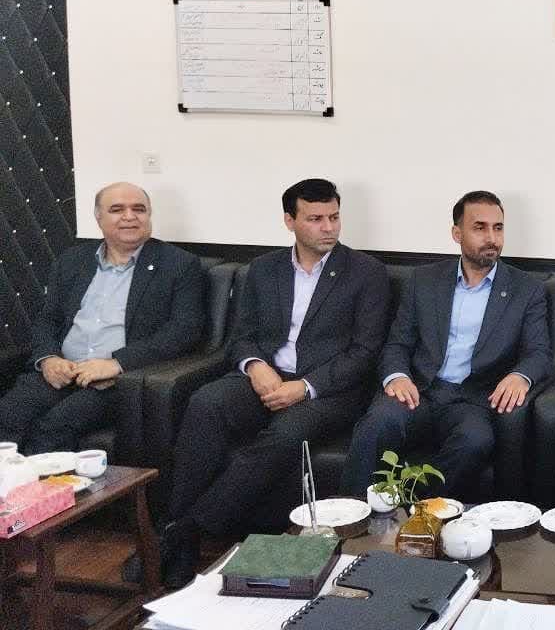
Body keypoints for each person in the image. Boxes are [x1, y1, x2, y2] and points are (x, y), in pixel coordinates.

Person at [162, 179, 390, 588]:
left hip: (328, 390)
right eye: (315, 218)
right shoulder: (264, 269)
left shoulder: (365, 273)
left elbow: (365, 352)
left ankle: (189, 531)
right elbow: (242, 336)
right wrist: (255, 366)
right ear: (290, 221)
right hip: (266, 377)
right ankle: (178, 526)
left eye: (334, 217)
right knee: (206, 403)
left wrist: (304, 387)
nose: (329, 227)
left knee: (285, 435)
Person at [340, 190, 551, 501]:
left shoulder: (526, 289)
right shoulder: (424, 280)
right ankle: (351, 514)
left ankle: (415, 509)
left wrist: (521, 376)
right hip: (419, 391)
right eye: (479, 227)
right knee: (377, 423)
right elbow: (397, 342)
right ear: (457, 233)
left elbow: (539, 352)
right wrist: (397, 376)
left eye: (498, 228)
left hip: (472, 400)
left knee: (475, 441)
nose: (491, 238)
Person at [0, 182, 206, 454]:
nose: (130, 216)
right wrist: (48, 359)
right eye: (117, 209)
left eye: (139, 209)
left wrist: (117, 364)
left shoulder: (179, 264)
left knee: (54, 427)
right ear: (99, 218)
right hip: (62, 370)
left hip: (115, 381)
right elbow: (47, 319)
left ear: (149, 215)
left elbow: (184, 330)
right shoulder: (72, 260)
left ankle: (45, 484)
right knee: (9, 415)